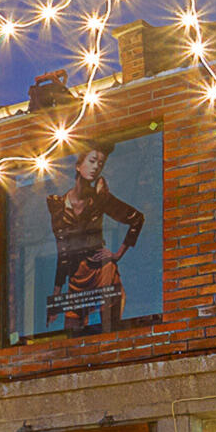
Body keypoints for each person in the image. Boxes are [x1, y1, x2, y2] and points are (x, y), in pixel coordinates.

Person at [45, 142, 144, 334]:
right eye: (92, 161)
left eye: (101, 163)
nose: (96, 167)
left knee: (109, 331)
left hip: (102, 272)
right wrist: (56, 295)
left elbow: (137, 219)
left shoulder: (100, 199)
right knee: (72, 335)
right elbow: (62, 252)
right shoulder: (58, 206)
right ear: (78, 165)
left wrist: (117, 255)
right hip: (77, 278)